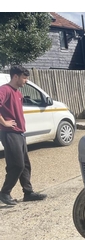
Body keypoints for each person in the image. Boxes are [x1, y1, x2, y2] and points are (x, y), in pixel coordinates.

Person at [0, 65, 46, 206]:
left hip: (20, 132)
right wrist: (5, 123)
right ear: (15, 76)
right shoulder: (4, 90)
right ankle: (4, 193)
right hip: (9, 133)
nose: (26, 81)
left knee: (25, 165)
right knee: (16, 165)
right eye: (24, 78)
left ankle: (28, 192)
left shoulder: (18, 93)